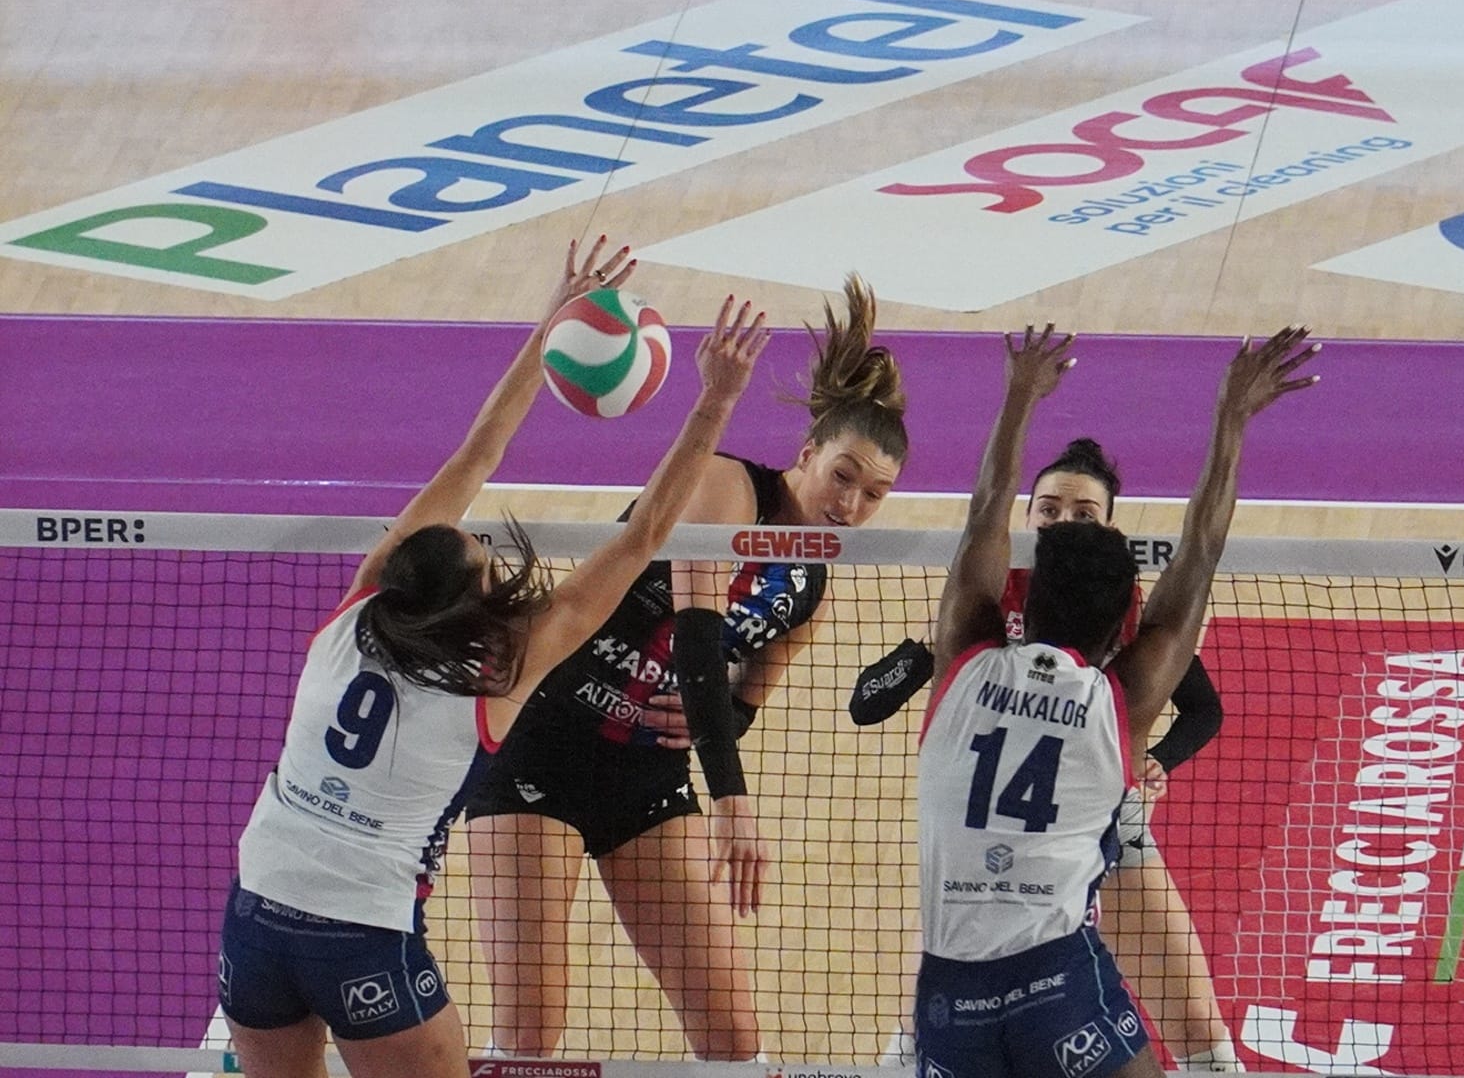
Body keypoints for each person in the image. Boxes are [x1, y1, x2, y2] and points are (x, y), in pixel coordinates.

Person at [216, 238, 770, 1078]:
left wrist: (551, 325)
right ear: (469, 610)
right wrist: (715, 401)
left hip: (256, 916)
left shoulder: (355, 614)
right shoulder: (497, 676)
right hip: (364, 938)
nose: (482, 545)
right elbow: (647, 534)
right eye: (480, 554)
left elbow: (474, 454)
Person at [465, 274, 910, 1059]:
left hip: (645, 778)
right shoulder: (724, 487)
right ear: (807, 455)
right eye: (843, 475)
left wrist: (706, 722)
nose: (850, 505)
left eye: (874, 494)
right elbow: (697, 637)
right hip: (542, 744)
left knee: (733, 1039)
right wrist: (732, 799)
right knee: (530, 1035)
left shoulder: (808, 591)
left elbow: (741, 700)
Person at [911, 322, 1321, 1078]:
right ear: (1119, 631)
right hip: (1056, 988)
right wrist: (1231, 416)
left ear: (1027, 594)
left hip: (948, 999)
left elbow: (985, 509)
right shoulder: (1120, 703)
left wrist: (1019, 395)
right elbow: (1202, 550)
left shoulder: (960, 664)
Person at [854, 438, 1241, 1070]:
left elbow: (1204, 709)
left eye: (1083, 513)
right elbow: (864, 705)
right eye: (1050, 509)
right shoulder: (984, 601)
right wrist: (924, 648)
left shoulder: (1119, 603)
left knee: (1206, 1042)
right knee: (908, 1050)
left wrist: (1156, 760)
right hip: (983, 857)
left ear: (1109, 529)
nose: (1062, 521)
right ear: (1028, 517)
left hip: (1102, 833)